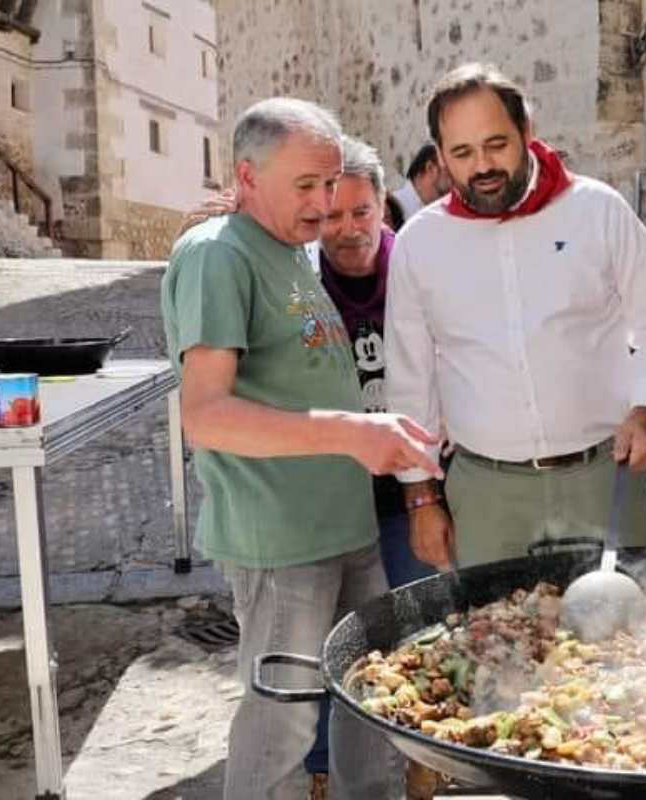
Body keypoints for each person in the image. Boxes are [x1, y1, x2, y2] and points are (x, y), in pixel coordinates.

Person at [162, 96, 440, 800]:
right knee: (282, 725)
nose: (322, 205)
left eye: (330, 184)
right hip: (281, 542)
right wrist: (352, 433)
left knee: (368, 696)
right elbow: (206, 415)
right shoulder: (217, 256)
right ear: (248, 177)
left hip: (345, 531)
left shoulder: (287, 250)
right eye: (306, 187)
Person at [386, 62, 646, 569]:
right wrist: (420, 500)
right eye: (461, 153)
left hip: (601, 480)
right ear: (439, 157)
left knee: (619, 637)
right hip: (486, 495)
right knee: (493, 641)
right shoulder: (420, 242)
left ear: (527, 133)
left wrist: (644, 413)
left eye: (496, 144)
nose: (482, 165)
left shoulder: (597, 210)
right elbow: (410, 381)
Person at [384, 142, 452, 230]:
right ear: (430, 168)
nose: (457, 178)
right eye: (450, 170)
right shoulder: (390, 211)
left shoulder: (442, 213)